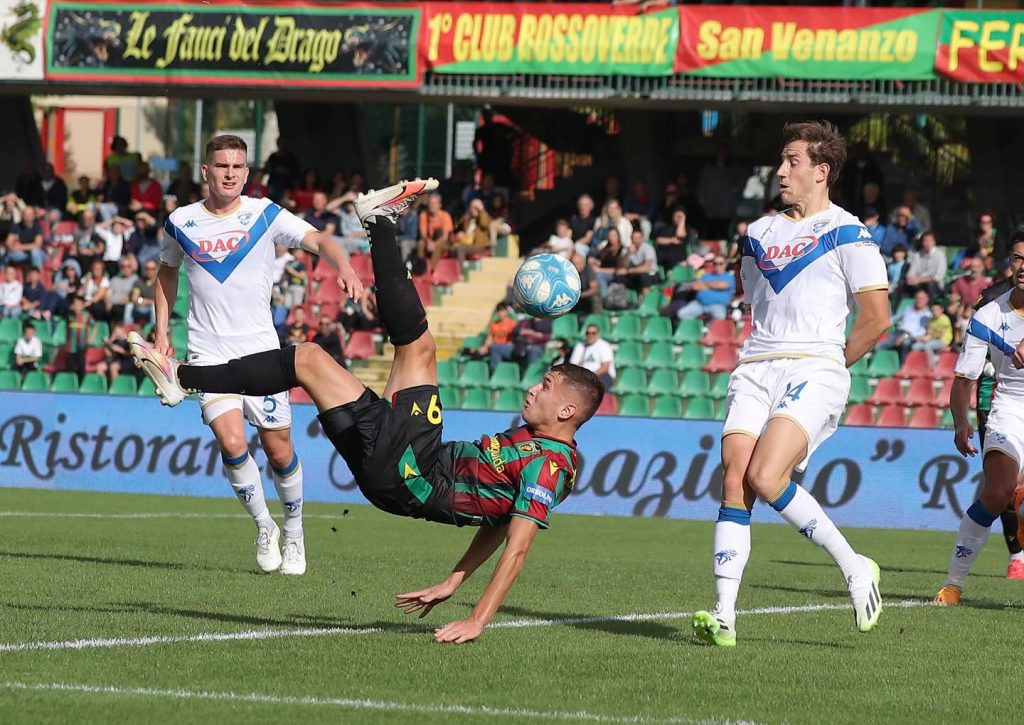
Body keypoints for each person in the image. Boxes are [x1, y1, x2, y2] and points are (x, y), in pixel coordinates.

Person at [129, 178, 604, 644]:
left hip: (414, 473)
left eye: (545, 386)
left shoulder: (551, 466)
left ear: (566, 410)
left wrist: (477, 619)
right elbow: (498, 520)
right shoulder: (537, 448)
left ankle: (377, 223)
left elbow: (517, 546)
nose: (533, 389)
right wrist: (455, 580)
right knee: (312, 359)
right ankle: (182, 377)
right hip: (403, 468)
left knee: (407, 348)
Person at [692, 121, 890, 648]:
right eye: (782, 161)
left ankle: (854, 566)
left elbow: (876, 318)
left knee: (765, 474)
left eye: (793, 161)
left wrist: (832, 363)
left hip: (815, 366)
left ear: (821, 171)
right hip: (757, 366)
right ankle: (725, 615)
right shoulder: (757, 234)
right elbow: (757, 302)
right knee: (735, 478)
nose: (781, 171)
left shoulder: (850, 231)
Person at [154, 134, 363, 576]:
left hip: (261, 353)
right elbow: (166, 272)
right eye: (221, 165)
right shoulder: (181, 222)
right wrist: (161, 332)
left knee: (279, 448)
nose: (229, 173)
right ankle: (265, 525)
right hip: (208, 353)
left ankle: (294, 529)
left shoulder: (264, 214)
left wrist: (343, 264)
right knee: (231, 443)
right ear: (205, 170)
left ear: (247, 173)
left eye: (237, 167)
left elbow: (319, 238)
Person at [934, 237, 1024, 605]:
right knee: (998, 491)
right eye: (1018, 258)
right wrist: (960, 423)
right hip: (1011, 409)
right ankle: (953, 584)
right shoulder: (989, 316)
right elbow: (964, 379)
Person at [967, 256, 1024, 579]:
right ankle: (1017, 554)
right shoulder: (991, 300)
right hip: (996, 399)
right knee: (1004, 486)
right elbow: (972, 346)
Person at [672, 256, 736, 321]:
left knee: (720, 316)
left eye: (720, 263)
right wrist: (714, 285)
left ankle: (708, 329)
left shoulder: (729, 277)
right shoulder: (706, 276)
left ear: (725, 264)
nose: (718, 266)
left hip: (717, 305)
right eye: (715, 263)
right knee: (681, 314)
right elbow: (695, 287)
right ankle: (698, 327)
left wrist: (705, 285)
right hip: (699, 304)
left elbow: (722, 285)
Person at [569, 323, 615, 389]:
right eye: (588, 333)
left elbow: (605, 368)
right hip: (584, 376)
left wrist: (591, 376)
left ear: (598, 334)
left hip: (601, 375)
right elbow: (573, 365)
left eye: (593, 333)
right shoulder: (580, 345)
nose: (590, 335)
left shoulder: (604, 345)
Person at [903, 231, 946, 299]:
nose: (928, 243)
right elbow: (911, 273)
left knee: (930, 285)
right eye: (925, 241)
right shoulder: (917, 255)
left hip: (934, 284)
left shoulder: (940, 255)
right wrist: (911, 278)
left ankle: (929, 306)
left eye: (930, 241)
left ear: (934, 242)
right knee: (905, 284)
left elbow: (939, 276)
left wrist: (920, 279)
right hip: (918, 283)